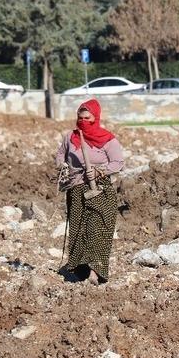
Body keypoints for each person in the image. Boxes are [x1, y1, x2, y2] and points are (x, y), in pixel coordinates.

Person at [55, 99, 124, 285]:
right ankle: (80, 270)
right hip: (76, 190)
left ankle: (95, 272)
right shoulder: (71, 137)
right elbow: (61, 154)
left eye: (88, 118)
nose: (83, 121)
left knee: (97, 228)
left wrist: (100, 171)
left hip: (99, 190)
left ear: (96, 117)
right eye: (80, 117)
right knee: (78, 230)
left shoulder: (107, 139)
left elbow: (118, 163)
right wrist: (62, 166)